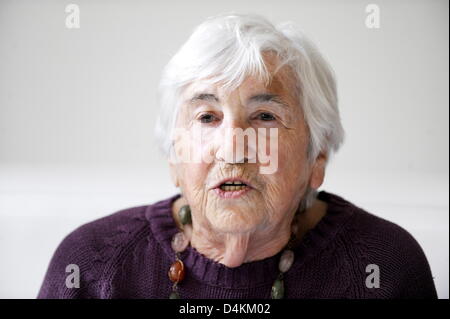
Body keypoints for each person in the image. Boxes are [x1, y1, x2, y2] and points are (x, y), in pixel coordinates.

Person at [38, 13, 437, 299]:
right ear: (174, 158)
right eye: (207, 116)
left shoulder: (384, 267)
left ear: (317, 159)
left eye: (265, 116)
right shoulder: (93, 265)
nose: (232, 146)